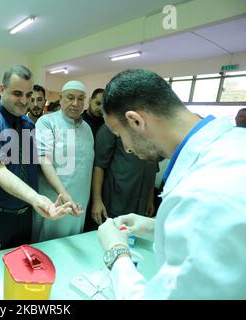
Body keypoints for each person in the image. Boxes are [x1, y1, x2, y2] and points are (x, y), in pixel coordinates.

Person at [96, 69, 246, 299]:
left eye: (119, 136)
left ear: (135, 121)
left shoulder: (202, 193)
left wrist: (117, 254)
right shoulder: (234, 143)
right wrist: (156, 227)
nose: (125, 147)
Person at [0, 65, 72, 249]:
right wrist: (36, 198)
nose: (24, 101)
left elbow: (35, 164)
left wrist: (61, 194)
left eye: (28, 94)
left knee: (20, 271)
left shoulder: (28, 125)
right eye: (17, 93)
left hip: (25, 215)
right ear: (2, 89)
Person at [33, 80, 94, 242]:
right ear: (60, 98)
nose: (76, 103)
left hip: (80, 201)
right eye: (70, 97)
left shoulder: (87, 128)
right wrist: (65, 194)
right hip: (55, 200)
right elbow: (43, 158)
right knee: (49, 246)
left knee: (74, 243)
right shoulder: (47, 122)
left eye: (81, 98)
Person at [91, 123, 157, 225]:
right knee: (113, 234)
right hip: (118, 198)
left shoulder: (152, 128)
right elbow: (99, 166)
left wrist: (150, 198)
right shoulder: (112, 126)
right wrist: (97, 201)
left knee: (135, 235)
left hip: (142, 201)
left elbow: (152, 166)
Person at [82, 88, 106, 232]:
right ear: (90, 100)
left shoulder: (107, 125)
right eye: (97, 103)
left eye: (104, 105)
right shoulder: (78, 122)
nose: (100, 108)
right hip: (81, 178)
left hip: (99, 181)